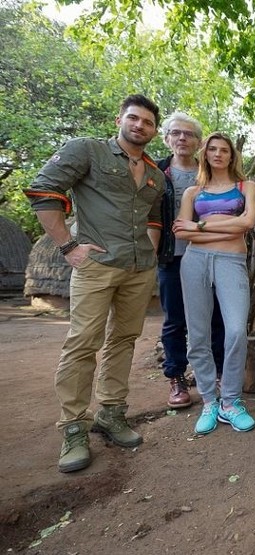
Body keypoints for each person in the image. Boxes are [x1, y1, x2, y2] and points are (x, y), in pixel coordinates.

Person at [26, 94, 165, 473]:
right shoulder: (87, 151)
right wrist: (68, 246)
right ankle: (73, 426)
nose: (140, 126)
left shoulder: (156, 173)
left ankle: (112, 412)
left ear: (154, 131)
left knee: (124, 340)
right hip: (96, 265)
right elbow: (44, 191)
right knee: (83, 341)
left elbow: (154, 217)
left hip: (138, 269)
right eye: (134, 119)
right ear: (120, 119)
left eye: (148, 122)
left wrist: (149, 253)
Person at [173, 132, 255, 435]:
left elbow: (248, 224)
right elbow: (182, 233)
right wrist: (226, 228)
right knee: (198, 333)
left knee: (236, 330)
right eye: (213, 149)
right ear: (205, 154)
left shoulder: (246, 187)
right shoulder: (193, 194)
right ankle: (210, 399)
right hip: (195, 262)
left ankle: (231, 401)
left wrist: (200, 225)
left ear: (232, 155)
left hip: (231, 263)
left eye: (224, 150)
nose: (219, 154)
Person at [156, 112, 226, 409]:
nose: (182, 138)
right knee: (175, 320)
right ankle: (176, 376)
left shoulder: (209, 172)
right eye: (176, 133)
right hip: (172, 256)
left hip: (209, 254)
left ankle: (216, 374)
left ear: (199, 142)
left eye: (189, 134)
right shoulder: (156, 172)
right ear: (167, 138)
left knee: (215, 318)